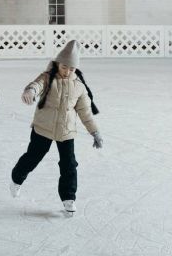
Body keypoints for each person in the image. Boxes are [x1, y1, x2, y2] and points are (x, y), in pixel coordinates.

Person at [10, 40, 102, 214]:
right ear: (58, 63)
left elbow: (85, 112)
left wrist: (94, 132)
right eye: (64, 67)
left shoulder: (79, 87)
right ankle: (16, 178)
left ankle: (68, 198)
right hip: (43, 127)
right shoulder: (48, 77)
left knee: (69, 165)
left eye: (71, 68)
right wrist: (30, 91)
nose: (67, 71)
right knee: (33, 157)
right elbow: (37, 85)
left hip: (66, 131)